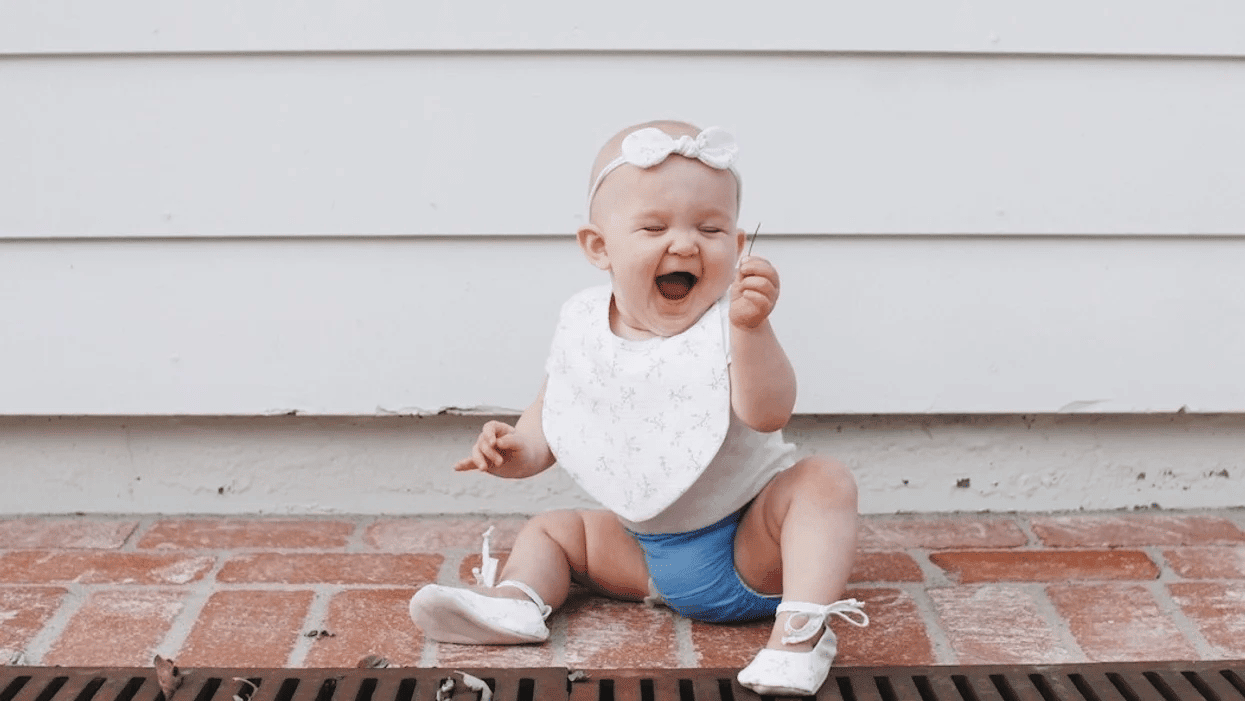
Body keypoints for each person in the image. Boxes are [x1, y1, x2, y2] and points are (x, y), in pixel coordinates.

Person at [409, 120, 867, 696]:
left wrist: (753, 329)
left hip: (745, 547)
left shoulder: (734, 322)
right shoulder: (584, 327)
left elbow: (768, 412)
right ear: (599, 246)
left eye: (711, 227)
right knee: (555, 530)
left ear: (739, 243)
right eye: (654, 226)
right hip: (642, 561)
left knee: (823, 481)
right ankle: (519, 600)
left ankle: (802, 632)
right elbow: (548, 425)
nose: (684, 243)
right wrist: (509, 451)